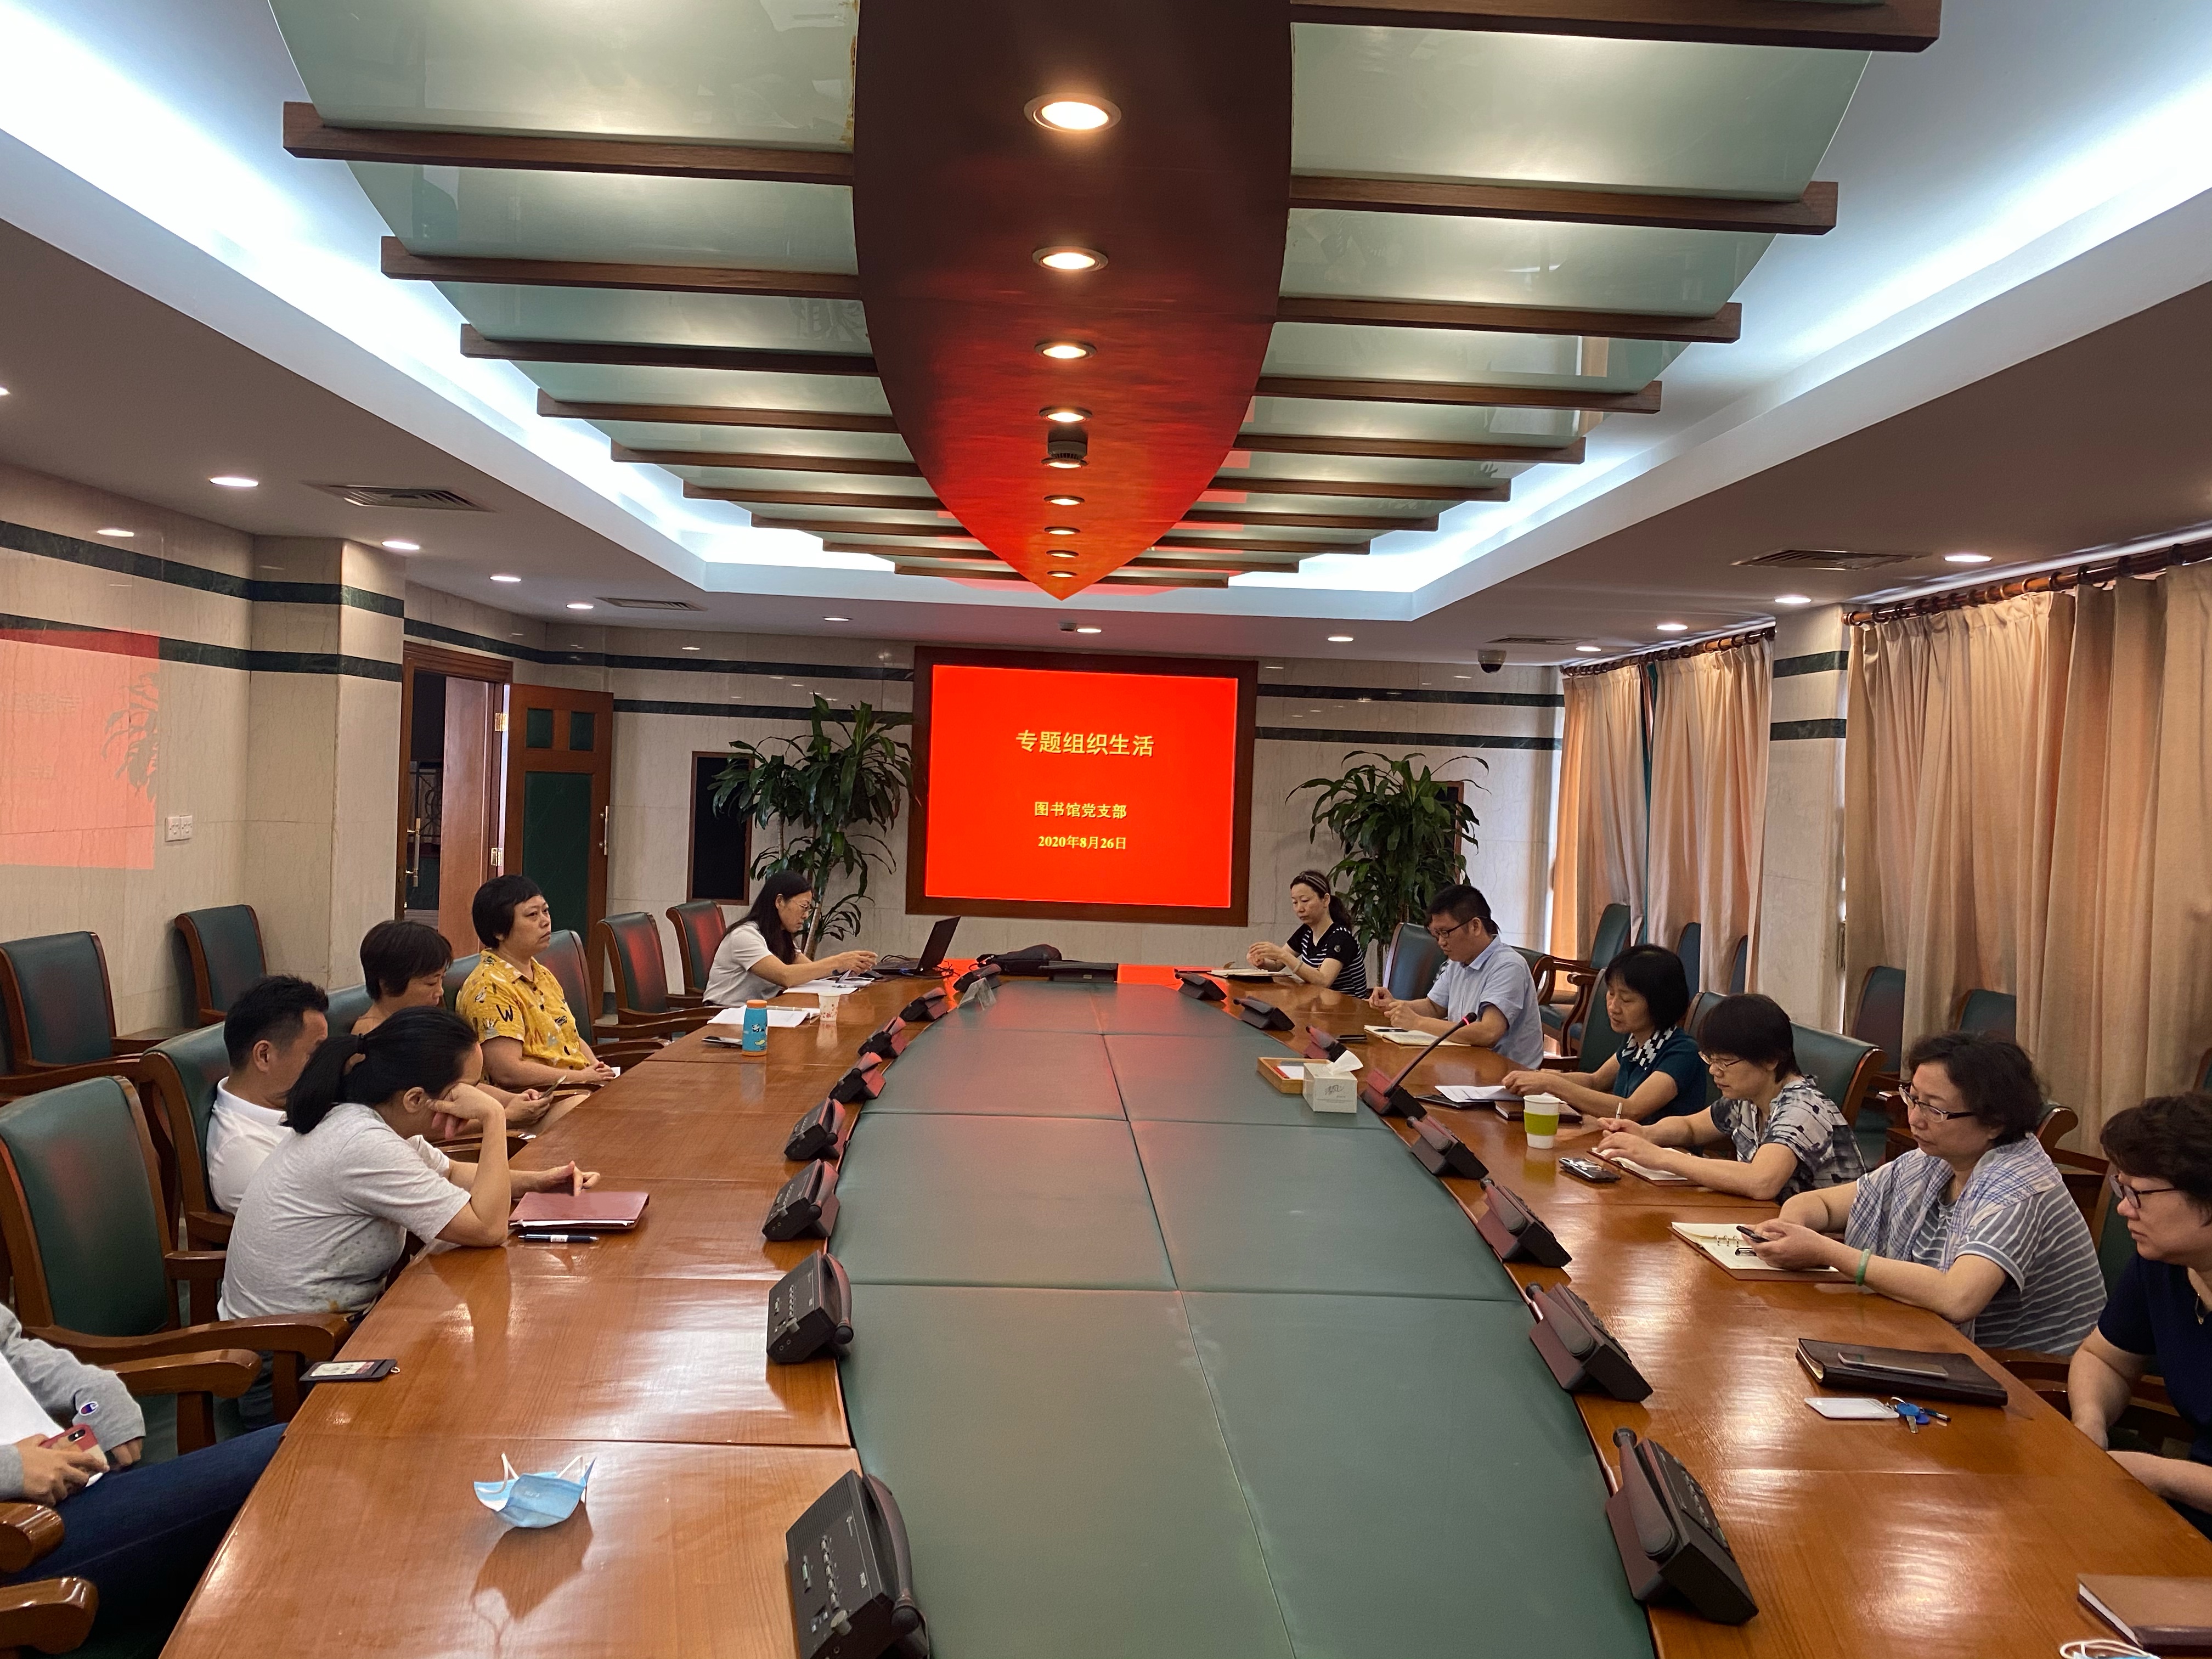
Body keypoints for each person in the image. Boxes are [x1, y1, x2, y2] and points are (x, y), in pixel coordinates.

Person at [220, 1008, 597, 1324]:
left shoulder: (374, 1118)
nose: (475, 1097)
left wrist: (539, 1182)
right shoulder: (362, 1143)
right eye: (466, 1089)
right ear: (416, 1099)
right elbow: (487, 1229)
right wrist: (494, 1116)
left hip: (340, 1327)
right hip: (287, 1354)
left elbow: (451, 1173)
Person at [1745, 1032, 2103, 1352]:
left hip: (2018, 1374)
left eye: (1935, 1109)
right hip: (1930, 1339)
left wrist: (1826, 1251)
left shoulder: (2020, 1187)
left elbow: (1958, 1297)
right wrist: (1791, 1231)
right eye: (1913, 1098)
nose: (1914, 1119)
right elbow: (1821, 1203)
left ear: (1994, 1122)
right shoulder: (1934, 1161)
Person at [0, 1304, 284, 1643]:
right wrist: (11, 1468)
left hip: (64, 1488)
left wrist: (95, 1390)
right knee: (286, 1458)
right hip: (17, 1541)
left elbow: (11, 1351)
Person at [2069, 1093, 2212, 1534]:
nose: (2123, 1207)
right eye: (2121, 1188)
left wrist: (2159, 1474)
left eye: (2139, 1194)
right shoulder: (2165, 1265)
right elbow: (2104, 1358)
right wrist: (2090, 1423)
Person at [1593, 993, 1862, 1202]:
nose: (1714, 1070)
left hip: (1825, 1242)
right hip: (1771, 1225)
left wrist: (1661, 1158)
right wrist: (1645, 1134)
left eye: (1726, 1061)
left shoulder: (1802, 1108)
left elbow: (1761, 1182)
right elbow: (1691, 1127)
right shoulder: (1748, 1097)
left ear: (1771, 1059)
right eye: (1711, 1059)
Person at [355, 918, 558, 1132]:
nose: (440, 991)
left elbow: (461, 1087)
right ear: (387, 984)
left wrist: (513, 1100)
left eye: (442, 980)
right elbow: (415, 1125)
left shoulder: (420, 1025)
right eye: (430, 983)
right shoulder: (375, 1039)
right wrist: (504, 1117)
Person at [1499, 944, 1702, 1122]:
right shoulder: (1636, 1041)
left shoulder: (1682, 1052)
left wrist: (1551, 1084)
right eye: (1611, 993)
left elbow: (1631, 1111)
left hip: (1663, 1150)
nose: (1613, 1007)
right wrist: (1537, 1078)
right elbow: (1595, 1081)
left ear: (1660, 1004)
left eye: (1626, 1000)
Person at [453, 877, 620, 1092]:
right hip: (537, 1096)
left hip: (576, 1084)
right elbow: (508, 1071)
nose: (545, 921)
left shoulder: (541, 973)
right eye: (533, 915)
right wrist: (581, 1077)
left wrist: (595, 1068)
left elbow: (569, 1036)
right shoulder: (489, 988)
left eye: (545, 911)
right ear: (499, 932)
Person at [1364, 884, 1543, 1068]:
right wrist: (1394, 1005)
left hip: (1505, 1074)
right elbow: (1434, 1007)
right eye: (1437, 934)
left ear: (1475, 926)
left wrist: (1417, 1023)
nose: (1441, 942)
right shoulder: (1458, 961)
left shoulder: (1508, 966)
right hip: (1463, 1063)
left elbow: (1488, 1033)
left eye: (1446, 933)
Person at [205, 975, 329, 1213]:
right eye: (314, 1055)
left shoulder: (292, 1100)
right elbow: (322, 1223)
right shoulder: (243, 1152)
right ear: (264, 1056)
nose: (324, 1066)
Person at [704, 871, 878, 1004]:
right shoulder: (744, 936)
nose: (806, 915)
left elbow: (809, 971)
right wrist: (838, 961)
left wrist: (844, 970)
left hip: (757, 1016)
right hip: (724, 1017)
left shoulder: (780, 935)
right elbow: (786, 976)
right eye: (804, 906)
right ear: (780, 902)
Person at [1244, 869, 1369, 996]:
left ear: (1326, 900)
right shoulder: (1306, 932)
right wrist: (1262, 962)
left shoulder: (1341, 937)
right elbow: (1277, 965)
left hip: (1348, 1006)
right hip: (1320, 1004)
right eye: (1295, 902)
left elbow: (1324, 981)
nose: (1299, 909)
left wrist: (1282, 955)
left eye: (1305, 901)